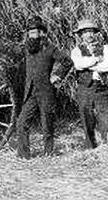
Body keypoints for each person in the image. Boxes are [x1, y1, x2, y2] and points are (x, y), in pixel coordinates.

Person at [16, 16, 71, 158]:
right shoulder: (27, 48)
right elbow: (11, 48)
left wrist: (57, 76)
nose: (32, 35)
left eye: (35, 32)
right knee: (21, 122)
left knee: (47, 123)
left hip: (46, 91)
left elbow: (67, 62)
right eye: (30, 32)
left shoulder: (50, 48)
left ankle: (48, 153)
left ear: (42, 33)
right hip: (30, 92)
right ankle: (23, 155)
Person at [70, 19, 108, 149]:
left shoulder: (106, 48)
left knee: (105, 116)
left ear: (95, 33)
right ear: (81, 35)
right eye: (85, 32)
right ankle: (90, 146)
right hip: (84, 87)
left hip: (100, 87)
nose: (89, 35)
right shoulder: (76, 51)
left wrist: (90, 66)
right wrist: (96, 60)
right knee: (86, 117)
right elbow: (78, 65)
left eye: (91, 31)